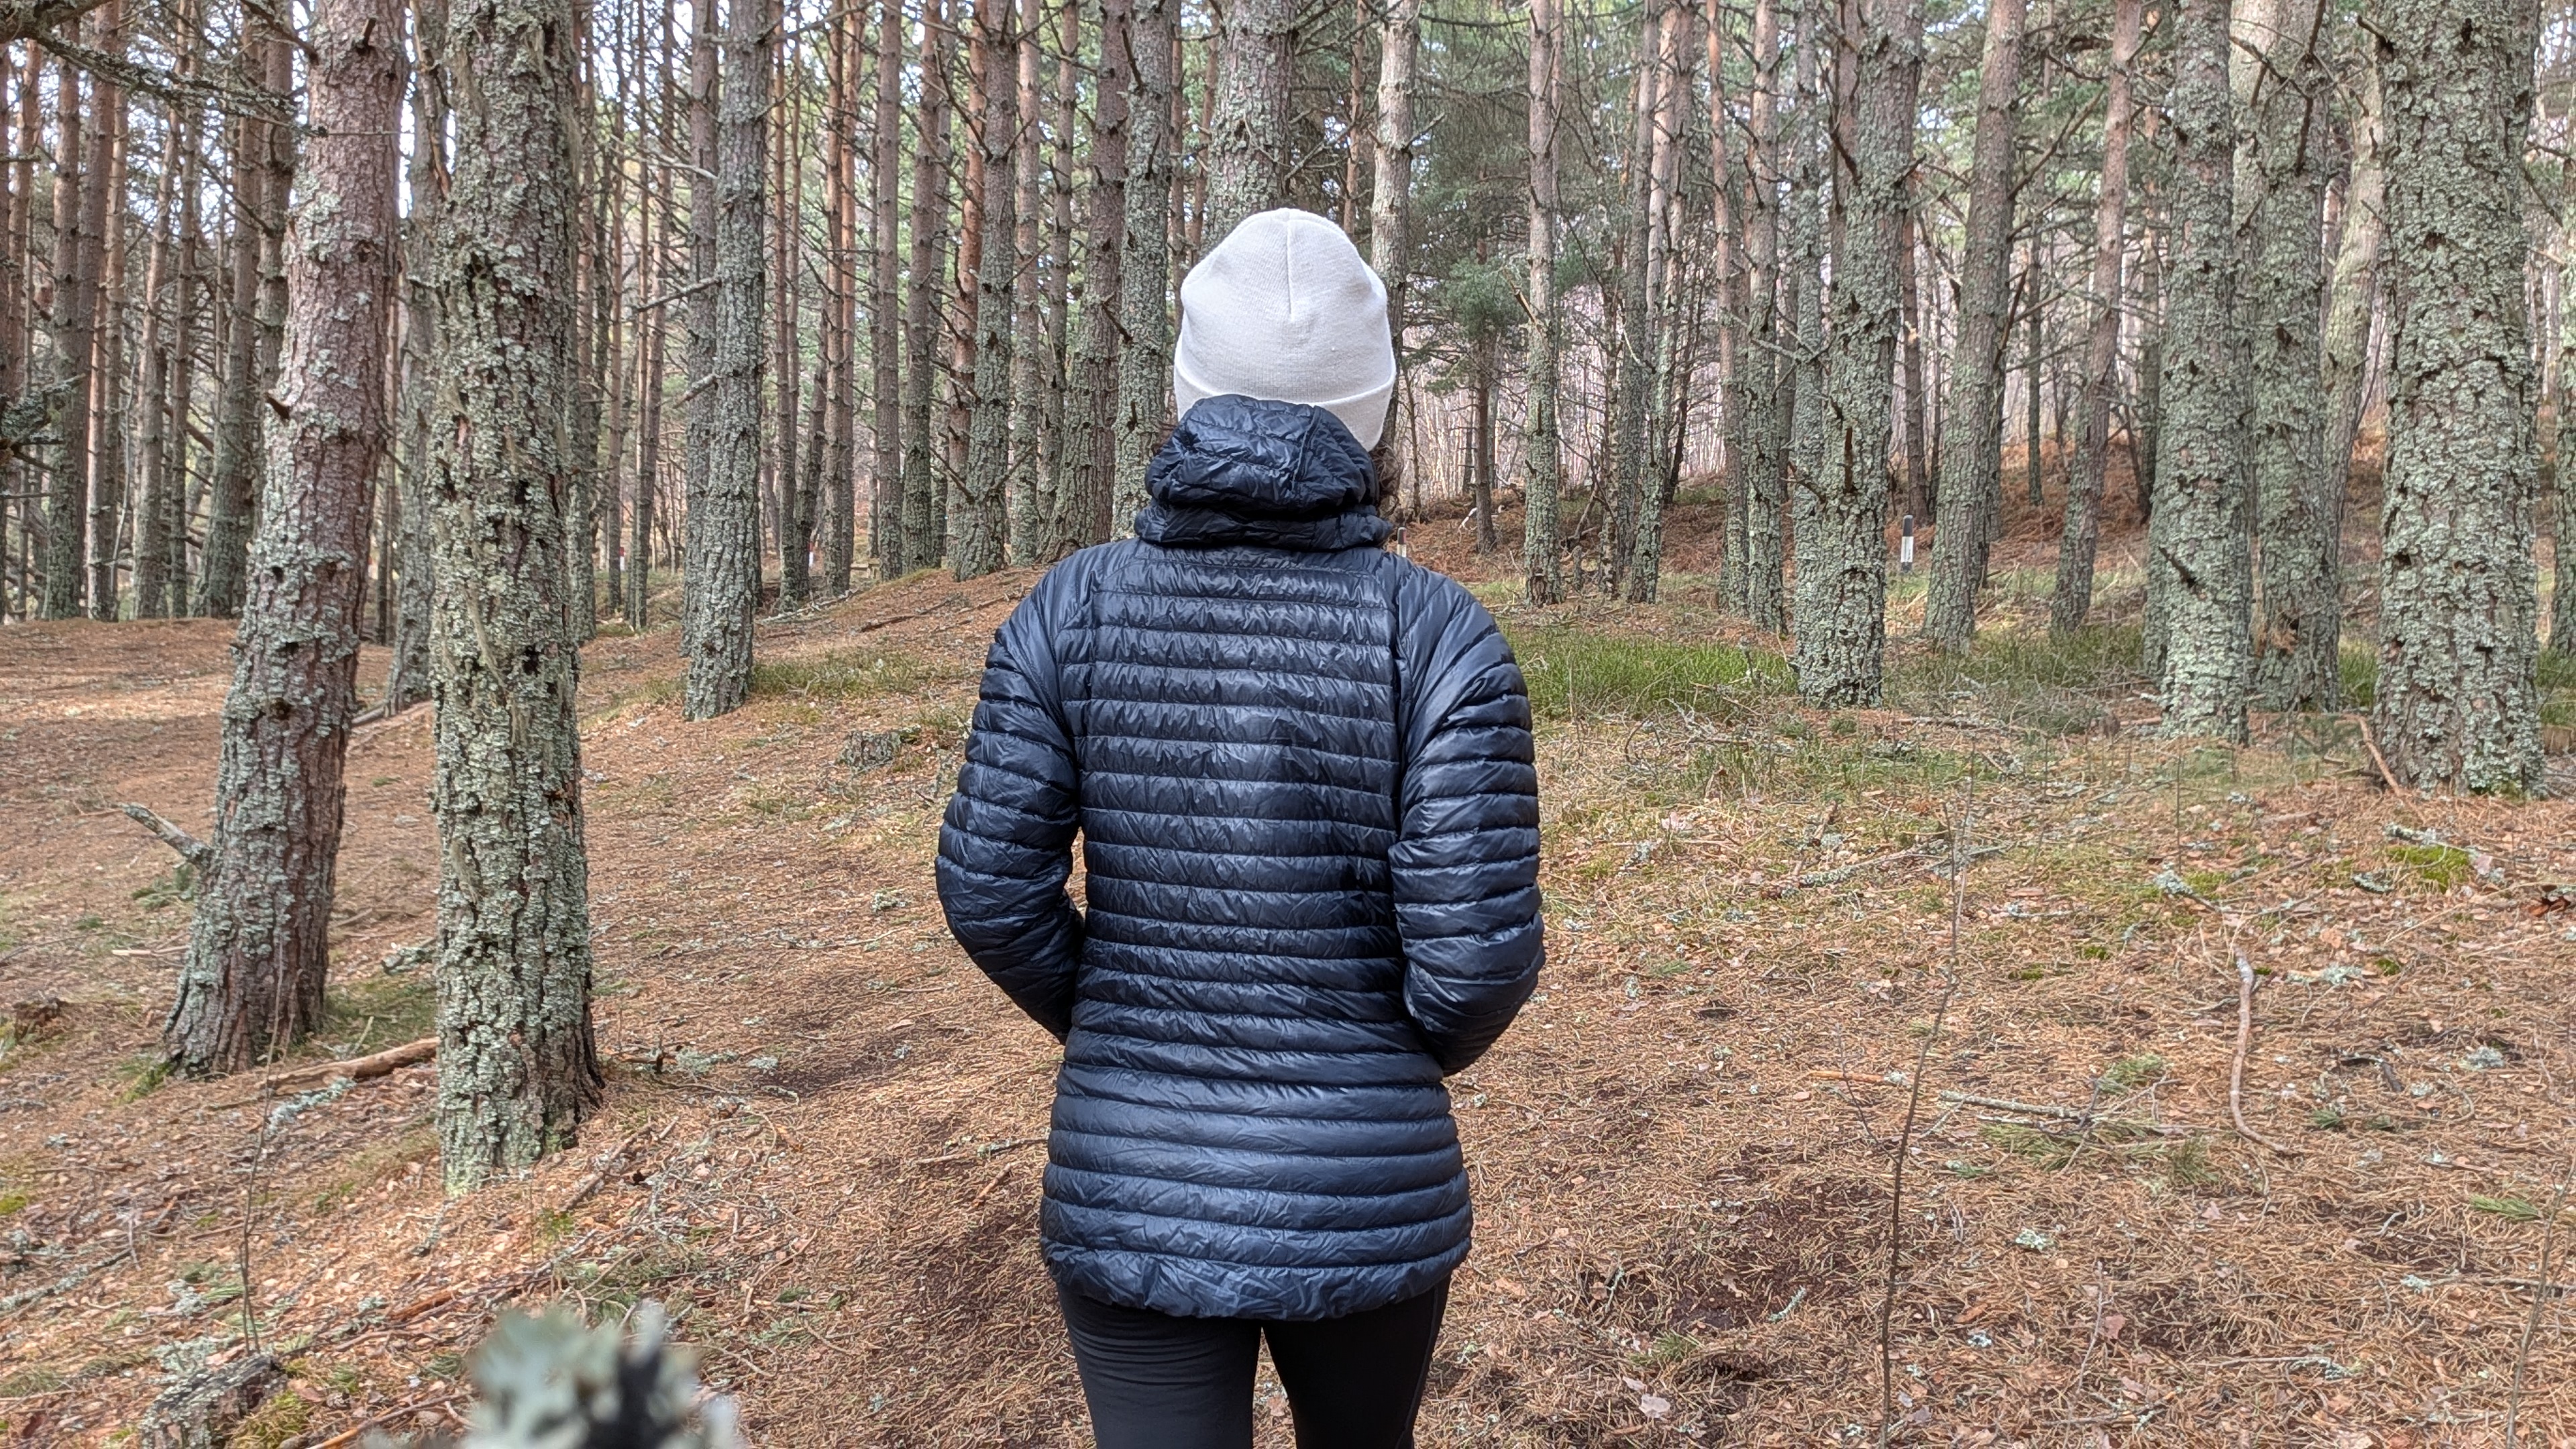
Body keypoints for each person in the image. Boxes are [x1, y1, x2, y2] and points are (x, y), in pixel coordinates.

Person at [936, 207, 1544, 1449]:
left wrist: (1117, 1017)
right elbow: (1474, 962)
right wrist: (1379, 1060)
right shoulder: (1441, 638)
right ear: (1371, 413)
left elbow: (990, 891)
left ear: (1189, 395)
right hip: (1364, 1187)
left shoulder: (1072, 609)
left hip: (1132, 1178)